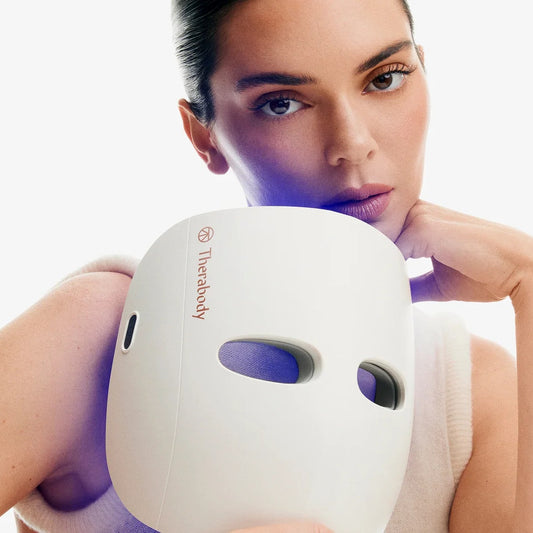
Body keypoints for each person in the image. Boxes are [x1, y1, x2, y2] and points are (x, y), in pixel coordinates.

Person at [1, 0, 531, 531]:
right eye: (281, 103)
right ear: (204, 136)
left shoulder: (470, 395)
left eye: (385, 78)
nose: (353, 145)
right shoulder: (99, 339)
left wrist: (527, 284)